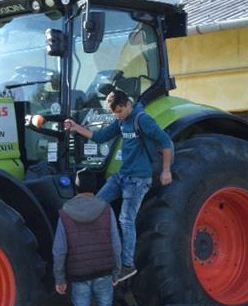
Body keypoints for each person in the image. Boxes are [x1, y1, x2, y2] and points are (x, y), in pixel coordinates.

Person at [64, 88, 174, 282]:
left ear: (128, 105)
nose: (118, 117)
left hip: (138, 180)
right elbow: (100, 137)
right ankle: (97, 253)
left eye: (120, 112)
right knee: (95, 204)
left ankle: (128, 265)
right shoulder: (121, 120)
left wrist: (166, 170)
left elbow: (166, 142)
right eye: (115, 114)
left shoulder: (142, 120)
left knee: (126, 219)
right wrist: (76, 127)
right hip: (122, 176)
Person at [53, 169, 123, 306]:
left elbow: (59, 250)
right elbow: (116, 243)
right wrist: (116, 272)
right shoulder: (105, 209)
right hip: (103, 273)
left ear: (76, 187)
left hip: (79, 275)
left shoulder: (65, 212)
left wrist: (60, 278)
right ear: (94, 188)